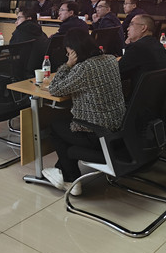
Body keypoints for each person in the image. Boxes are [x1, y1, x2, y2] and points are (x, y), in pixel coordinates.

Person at [42, 28, 125, 195]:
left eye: (68, 53)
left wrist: (67, 65)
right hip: (118, 129)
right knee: (67, 125)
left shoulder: (84, 69)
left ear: (73, 51)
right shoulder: (110, 59)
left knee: (56, 127)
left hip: (97, 135)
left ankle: (70, 179)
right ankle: (62, 170)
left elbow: (55, 89)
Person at [118, 14, 166, 92]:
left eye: (131, 24)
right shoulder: (158, 45)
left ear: (143, 28)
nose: (128, 29)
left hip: (141, 96)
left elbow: (117, 72)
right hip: (159, 95)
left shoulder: (137, 48)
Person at [10, 8, 49, 77]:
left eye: (19, 18)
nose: (16, 22)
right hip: (39, 70)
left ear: (28, 19)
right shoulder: (41, 33)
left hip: (23, 70)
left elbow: (12, 50)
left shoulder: (19, 32)